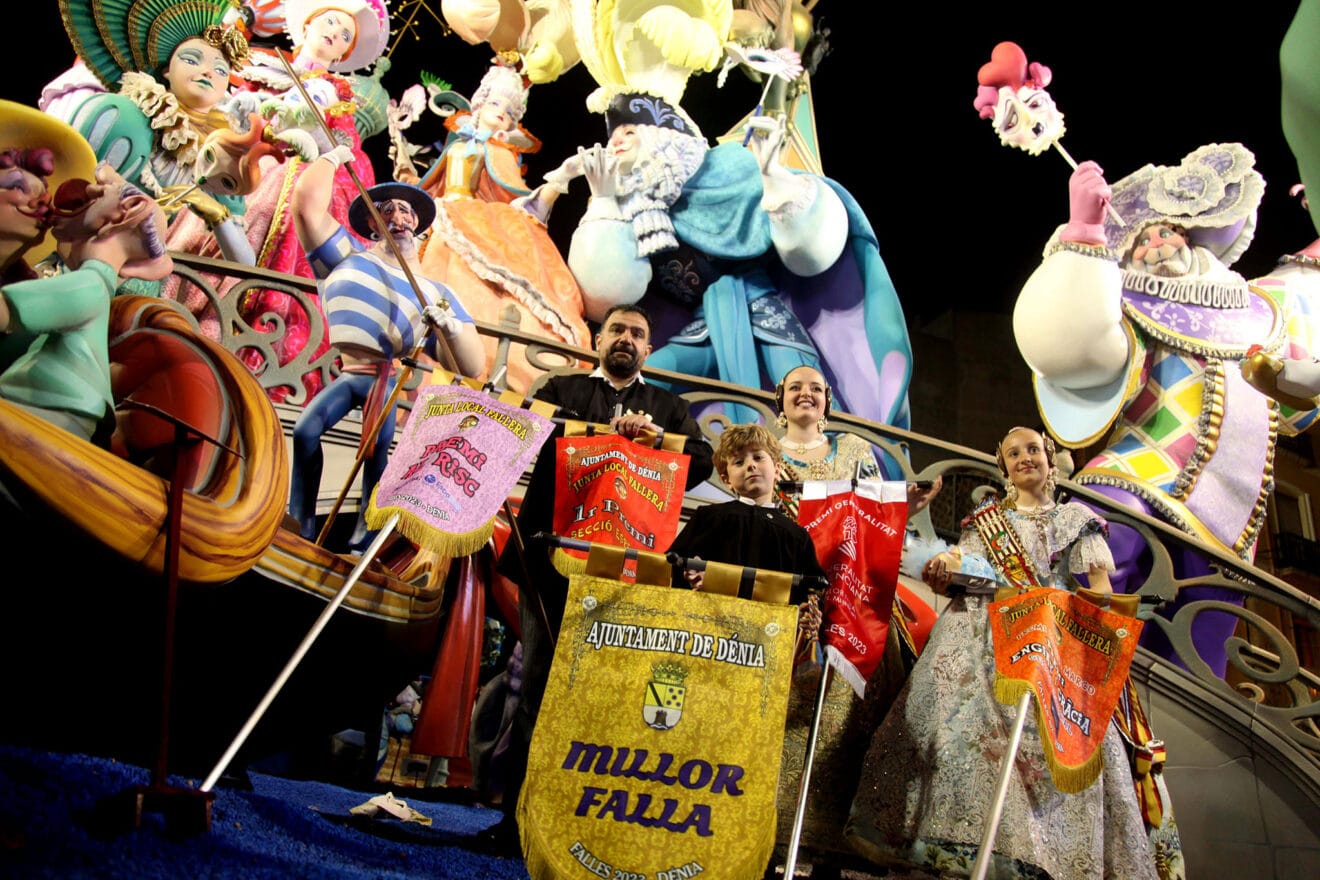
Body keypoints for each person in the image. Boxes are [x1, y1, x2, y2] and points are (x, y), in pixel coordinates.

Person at [1012, 145, 1320, 677]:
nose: (1155, 245)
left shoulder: (1259, 309)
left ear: (1192, 235)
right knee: (1085, 592)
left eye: (1166, 232)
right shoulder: (1134, 306)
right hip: (1135, 482)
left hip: (1227, 529)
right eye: (1141, 241)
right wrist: (1084, 231)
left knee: (1192, 669)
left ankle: (1155, 752)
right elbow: (1077, 348)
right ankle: (1044, 706)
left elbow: (1307, 329)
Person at [845, 426, 1166, 880]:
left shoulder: (1075, 520)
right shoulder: (986, 521)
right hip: (979, 638)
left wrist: (1064, 621)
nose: (1025, 458)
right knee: (949, 741)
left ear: (1050, 461)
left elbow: (1100, 596)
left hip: (1050, 648)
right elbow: (967, 566)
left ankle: (1039, 857)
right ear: (1004, 467)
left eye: (1033, 449)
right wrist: (943, 569)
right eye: (1014, 453)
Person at [528, 92, 913, 434]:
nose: (616, 141)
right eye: (613, 136)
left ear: (663, 138)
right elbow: (607, 291)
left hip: (757, 308)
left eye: (630, 132)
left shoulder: (724, 169)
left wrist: (773, 177)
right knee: (646, 381)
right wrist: (603, 200)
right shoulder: (634, 211)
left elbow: (806, 246)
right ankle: (612, 448)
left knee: (802, 390)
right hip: (700, 326)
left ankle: (848, 472)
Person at [480, 302, 714, 852]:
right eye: (617, 330)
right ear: (598, 339)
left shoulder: (668, 407)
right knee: (537, 684)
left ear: (648, 350)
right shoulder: (560, 388)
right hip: (550, 563)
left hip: (625, 575)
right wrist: (601, 431)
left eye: (637, 332)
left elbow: (701, 461)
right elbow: (522, 433)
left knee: (604, 695)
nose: (626, 339)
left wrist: (656, 438)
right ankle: (513, 823)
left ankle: (576, 820)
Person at [164, 0, 391, 403]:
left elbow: (343, 153)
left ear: (343, 54)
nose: (334, 35)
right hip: (237, 160)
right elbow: (218, 109)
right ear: (307, 24)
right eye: (330, 23)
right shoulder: (262, 66)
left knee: (283, 208)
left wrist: (307, 140)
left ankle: (260, 339)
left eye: (344, 36)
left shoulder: (334, 93)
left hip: (291, 171)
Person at [769, 363, 942, 879]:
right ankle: (769, 831)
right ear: (779, 400)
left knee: (848, 718)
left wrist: (904, 506)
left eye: (816, 389)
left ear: (828, 401)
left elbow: (875, 519)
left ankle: (832, 847)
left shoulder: (854, 453)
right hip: (787, 596)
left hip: (850, 601)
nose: (806, 395)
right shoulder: (765, 451)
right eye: (795, 387)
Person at [285, 147, 485, 549]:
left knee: (376, 459)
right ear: (373, 225)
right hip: (351, 373)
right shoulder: (345, 258)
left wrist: (447, 327)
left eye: (406, 211)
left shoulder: (434, 292)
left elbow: (472, 363)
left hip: (385, 381)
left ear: (419, 225)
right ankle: (301, 519)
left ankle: (364, 534)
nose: (398, 218)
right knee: (305, 432)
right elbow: (305, 206)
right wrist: (332, 157)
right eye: (387, 211)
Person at [403, 63, 591, 393]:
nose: (502, 114)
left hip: (479, 219)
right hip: (443, 214)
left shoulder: (499, 151)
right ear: (478, 105)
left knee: (469, 284)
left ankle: (480, 365)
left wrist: (558, 180)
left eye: (509, 111)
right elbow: (430, 184)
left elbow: (516, 196)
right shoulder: (458, 144)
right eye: (495, 105)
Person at [1, 162, 173, 443]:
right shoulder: (95, 285)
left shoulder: (90, 287)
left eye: (98, 195)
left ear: (124, 211)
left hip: (52, 411)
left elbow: (6, 310)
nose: (87, 191)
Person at [668, 422, 828, 606]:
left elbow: (813, 593)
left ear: (777, 469)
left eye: (758, 457)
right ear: (726, 479)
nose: (751, 465)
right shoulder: (709, 517)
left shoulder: (797, 536)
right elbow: (672, 566)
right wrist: (690, 572)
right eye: (739, 462)